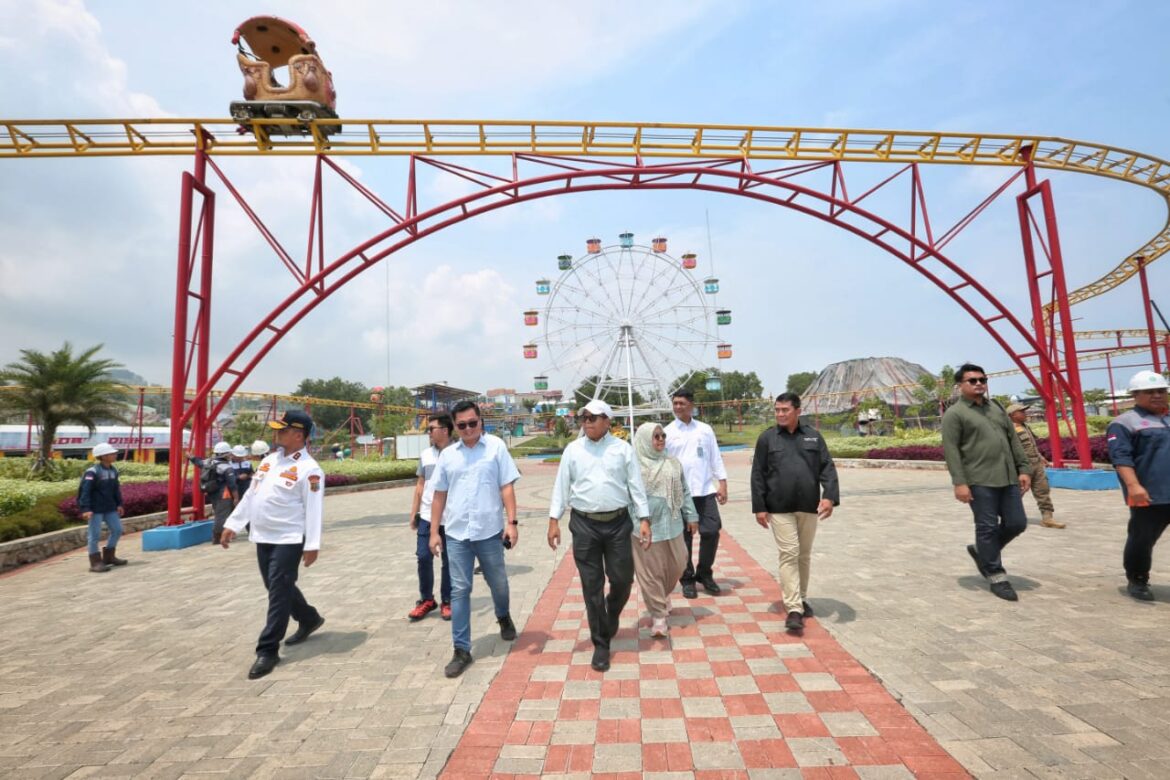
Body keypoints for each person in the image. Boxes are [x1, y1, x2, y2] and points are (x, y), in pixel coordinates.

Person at [221, 410, 326, 680]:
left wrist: (312, 544)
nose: (276, 433)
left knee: (278, 592)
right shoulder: (268, 461)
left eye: (282, 430)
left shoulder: (309, 469)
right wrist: (233, 524)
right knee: (275, 586)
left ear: (299, 434)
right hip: (263, 536)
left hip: (288, 539)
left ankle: (267, 649)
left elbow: (314, 509)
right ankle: (308, 617)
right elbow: (251, 497)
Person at [547, 400, 651, 672]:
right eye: (584, 417)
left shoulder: (622, 450)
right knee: (591, 586)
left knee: (622, 579)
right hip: (584, 525)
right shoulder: (573, 450)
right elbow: (561, 486)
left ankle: (611, 612)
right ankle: (601, 644)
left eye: (594, 417)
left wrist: (644, 519)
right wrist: (553, 520)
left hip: (618, 524)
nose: (588, 422)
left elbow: (635, 486)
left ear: (608, 421)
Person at [429, 400, 521, 679]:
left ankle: (503, 615)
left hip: (489, 531)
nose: (468, 429)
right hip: (456, 534)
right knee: (459, 590)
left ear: (481, 421)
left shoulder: (496, 448)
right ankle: (461, 649)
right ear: (454, 427)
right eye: (462, 425)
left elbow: (506, 486)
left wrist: (512, 523)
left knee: (499, 583)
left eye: (473, 423)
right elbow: (439, 495)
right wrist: (434, 531)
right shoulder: (448, 456)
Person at [942, 363, 1032, 602]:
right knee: (987, 527)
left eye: (982, 379)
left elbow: (1013, 440)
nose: (979, 384)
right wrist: (959, 482)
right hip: (979, 480)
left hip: (1008, 477)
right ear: (960, 386)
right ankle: (995, 574)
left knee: (1017, 523)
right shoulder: (955, 414)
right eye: (972, 380)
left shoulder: (997, 408)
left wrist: (1024, 468)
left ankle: (983, 552)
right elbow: (951, 451)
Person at [750, 393, 839, 632]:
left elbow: (827, 467)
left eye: (784, 410)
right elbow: (758, 474)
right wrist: (759, 506)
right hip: (779, 508)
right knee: (789, 553)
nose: (780, 414)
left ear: (798, 411)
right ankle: (793, 609)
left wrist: (829, 496)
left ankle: (800, 597)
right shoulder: (767, 438)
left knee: (804, 555)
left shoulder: (813, 436)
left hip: (808, 506)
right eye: (777, 410)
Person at [1107, 370, 1170, 601]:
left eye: (1161, 391)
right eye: (1149, 392)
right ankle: (1138, 579)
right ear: (1136, 395)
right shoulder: (1124, 423)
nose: (1157, 395)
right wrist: (1133, 486)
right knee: (1142, 539)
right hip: (1149, 494)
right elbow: (1121, 457)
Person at [630, 422, 697, 638]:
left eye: (662, 435)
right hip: (644, 527)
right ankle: (658, 616)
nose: (660, 439)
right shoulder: (633, 466)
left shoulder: (673, 463)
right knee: (649, 573)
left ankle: (664, 593)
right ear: (643, 440)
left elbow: (685, 491)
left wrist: (692, 514)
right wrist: (639, 521)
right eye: (655, 436)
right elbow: (628, 498)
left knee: (679, 562)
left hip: (673, 523)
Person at [663, 388, 729, 599]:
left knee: (711, 531)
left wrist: (723, 483)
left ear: (691, 405)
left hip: (705, 491)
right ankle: (687, 578)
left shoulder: (705, 430)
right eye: (675, 403)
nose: (678, 407)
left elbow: (715, 457)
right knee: (684, 539)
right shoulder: (667, 432)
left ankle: (705, 573)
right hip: (680, 494)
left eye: (682, 403)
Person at [407, 414, 454, 621]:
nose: (429, 432)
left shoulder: (457, 453)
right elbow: (420, 484)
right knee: (423, 557)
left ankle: (448, 601)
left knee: (449, 561)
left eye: (431, 428)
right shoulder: (426, 455)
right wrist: (414, 512)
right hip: (426, 515)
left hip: (452, 517)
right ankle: (426, 599)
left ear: (445, 430)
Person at [1005, 403, 1064, 528]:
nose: (1025, 413)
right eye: (1021, 412)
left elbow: (1031, 445)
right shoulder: (1008, 429)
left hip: (1036, 464)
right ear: (1012, 415)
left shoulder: (1025, 426)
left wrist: (1041, 458)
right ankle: (1008, 516)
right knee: (1017, 492)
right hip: (1022, 466)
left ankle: (1047, 518)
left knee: (1043, 490)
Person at [78, 442, 127, 573]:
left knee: (117, 530)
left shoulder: (113, 470)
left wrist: (119, 504)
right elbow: (85, 491)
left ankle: (109, 557)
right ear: (103, 456)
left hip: (110, 507)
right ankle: (95, 562)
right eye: (112, 453)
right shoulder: (92, 472)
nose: (115, 455)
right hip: (95, 509)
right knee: (94, 536)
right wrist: (86, 509)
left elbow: (116, 489)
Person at [189, 441, 238, 544]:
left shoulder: (208, 461)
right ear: (225, 454)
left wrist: (191, 457)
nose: (230, 455)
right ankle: (217, 538)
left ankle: (221, 535)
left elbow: (199, 463)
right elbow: (232, 484)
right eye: (229, 453)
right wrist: (236, 498)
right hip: (224, 493)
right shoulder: (226, 467)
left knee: (218, 513)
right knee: (221, 516)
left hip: (212, 492)